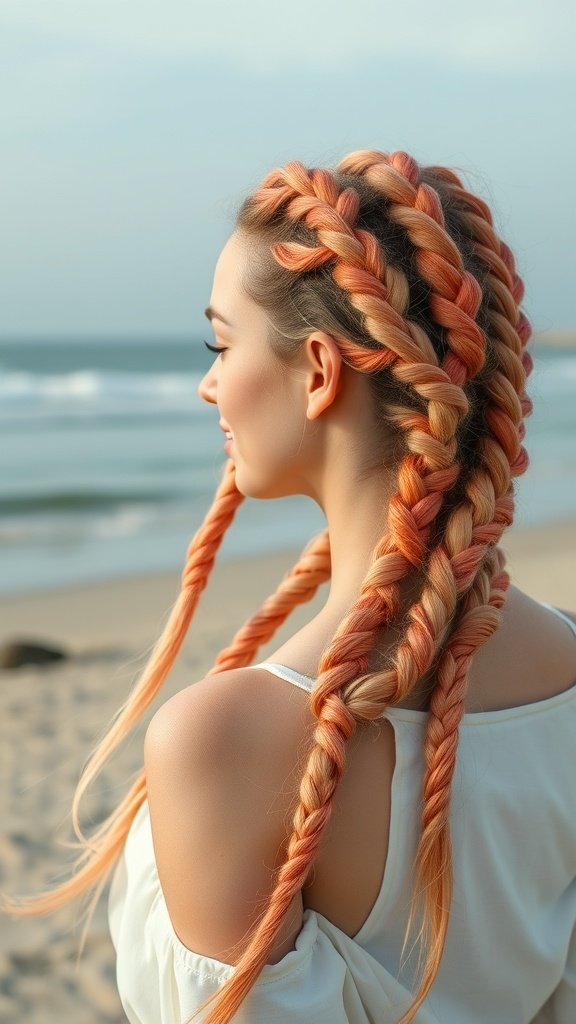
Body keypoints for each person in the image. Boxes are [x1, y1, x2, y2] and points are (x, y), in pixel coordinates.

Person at [4, 148, 576, 1023]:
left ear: (318, 371)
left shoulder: (223, 742)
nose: (208, 385)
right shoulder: (566, 667)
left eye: (220, 344)